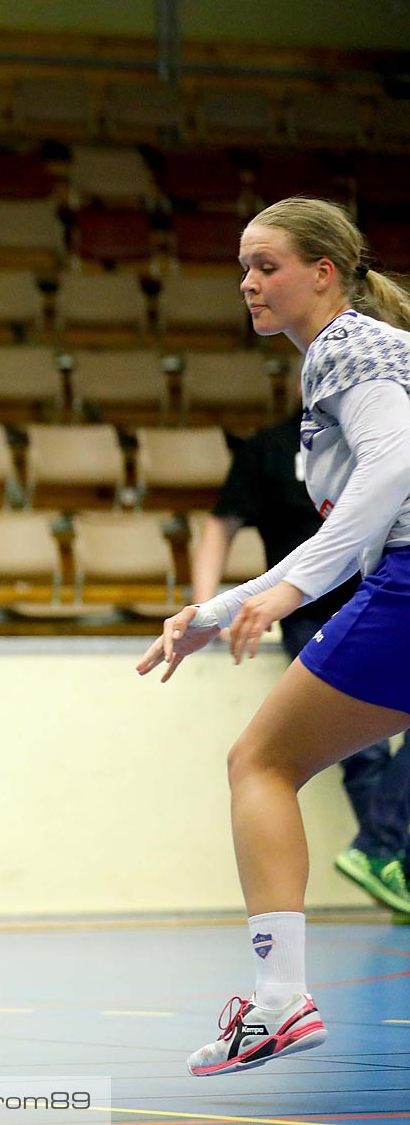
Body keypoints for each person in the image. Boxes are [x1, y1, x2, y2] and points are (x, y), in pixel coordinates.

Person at [137, 197, 410, 1076]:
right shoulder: (366, 351)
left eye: (268, 266)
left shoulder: (348, 346)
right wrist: (215, 610)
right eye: (243, 268)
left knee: (259, 762)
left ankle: (281, 1003)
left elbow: (392, 472)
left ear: (325, 273)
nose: (249, 283)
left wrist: (290, 586)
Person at [192, 415, 410, 917]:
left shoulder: (379, 430)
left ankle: (381, 852)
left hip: (378, 598)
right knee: (362, 754)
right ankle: (386, 860)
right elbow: (221, 525)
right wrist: (211, 609)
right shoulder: (270, 446)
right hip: (307, 609)